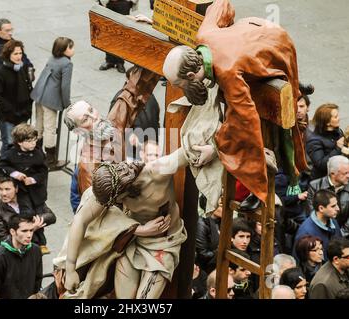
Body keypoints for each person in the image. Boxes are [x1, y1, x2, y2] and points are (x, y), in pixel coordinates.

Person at [162, 0, 308, 208]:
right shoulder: (203, 36)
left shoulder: (229, 73)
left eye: (179, 83)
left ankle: (260, 190)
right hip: (253, 29)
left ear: (193, 75)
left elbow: (245, 121)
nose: (180, 87)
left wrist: (215, 148)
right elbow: (221, 5)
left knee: (262, 119)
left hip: (276, 45)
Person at [62, 147, 192, 298]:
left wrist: (210, 150)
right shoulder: (110, 188)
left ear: (121, 193)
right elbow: (81, 220)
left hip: (163, 242)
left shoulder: (156, 171)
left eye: (115, 202)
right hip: (133, 241)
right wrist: (70, 268)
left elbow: (189, 150)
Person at [64, 65, 159, 195]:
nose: (95, 117)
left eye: (91, 110)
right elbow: (96, 209)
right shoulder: (88, 166)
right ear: (78, 131)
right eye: (85, 119)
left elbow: (134, 89)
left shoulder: (113, 123)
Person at [0, 124, 50, 254]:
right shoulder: (10, 154)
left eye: (34, 140)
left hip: (36, 192)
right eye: (29, 141)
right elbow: (2, 166)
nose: (33, 143)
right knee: (26, 214)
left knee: (38, 216)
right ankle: (31, 240)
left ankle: (41, 242)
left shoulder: (38, 154)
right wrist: (16, 174)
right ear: (20, 142)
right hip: (21, 191)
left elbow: (43, 171)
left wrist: (32, 179)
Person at [31, 37, 74, 169]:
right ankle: (50, 160)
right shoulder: (67, 63)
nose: (73, 50)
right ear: (63, 50)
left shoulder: (52, 58)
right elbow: (65, 86)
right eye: (70, 47)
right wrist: (67, 103)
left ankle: (35, 153)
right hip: (50, 99)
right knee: (50, 128)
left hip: (39, 94)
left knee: (39, 124)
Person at [0, 175, 56, 254]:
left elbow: (51, 216)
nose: (3, 193)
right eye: (0, 189)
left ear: (16, 189)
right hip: (15, 253)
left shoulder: (31, 199)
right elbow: (3, 240)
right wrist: (30, 228)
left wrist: (33, 222)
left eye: (7, 189)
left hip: (36, 247)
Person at [108, 66, 160, 161]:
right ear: (128, 81)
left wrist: (154, 143)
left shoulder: (150, 97)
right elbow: (114, 127)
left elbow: (156, 119)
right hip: (132, 152)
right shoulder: (119, 100)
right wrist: (128, 135)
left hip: (149, 149)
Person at [0, 40, 33, 157]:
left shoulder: (23, 68)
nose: (19, 56)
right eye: (15, 54)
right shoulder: (1, 72)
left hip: (23, 114)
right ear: (8, 55)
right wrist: (10, 109)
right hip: (7, 117)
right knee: (9, 144)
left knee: (20, 144)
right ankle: (3, 170)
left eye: (20, 53)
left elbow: (28, 88)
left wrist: (28, 107)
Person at [0, 215, 43, 299]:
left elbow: (38, 279)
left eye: (31, 230)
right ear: (12, 232)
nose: (29, 235)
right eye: (24, 231)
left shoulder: (36, 250)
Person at [307, 155, 349, 238]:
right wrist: (325, 235)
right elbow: (313, 214)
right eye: (345, 173)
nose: (348, 176)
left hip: (345, 237)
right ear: (333, 173)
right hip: (320, 234)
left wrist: (338, 236)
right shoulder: (315, 186)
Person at [295, 189, 342, 261]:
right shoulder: (306, 232)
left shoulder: (333, 222)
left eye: (337, 205)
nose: (338, 209)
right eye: (333, 206)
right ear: (321, 208)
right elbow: (302, 263)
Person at [306, 104, 345, 180]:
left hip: (340, 176)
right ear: (327, 122)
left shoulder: (338, 131)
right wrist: (338, 148)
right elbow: (321, 165)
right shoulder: (314, 141)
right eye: (336, 117)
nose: (339, 118)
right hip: (323, 181)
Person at [97, 0, 138, 73]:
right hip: (107, 2)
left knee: (121, 33)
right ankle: (109, 60)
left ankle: (120, 62)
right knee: (107, 31)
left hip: (123, 2)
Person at [195, 198, 221, 274]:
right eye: (220, 205)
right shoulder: (202, 224)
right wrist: (218, 251)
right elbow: (202, 254)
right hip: (205, 269)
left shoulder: (222, 222)